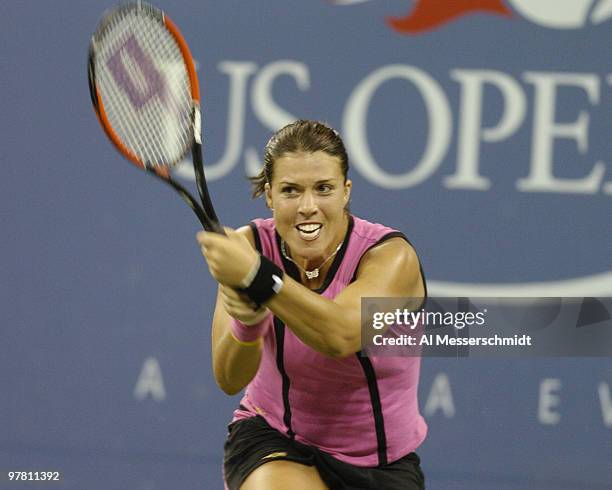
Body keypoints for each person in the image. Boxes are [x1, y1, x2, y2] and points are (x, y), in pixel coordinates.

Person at [197, 120, 427, 490]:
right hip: (276, 440)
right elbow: (229, 378)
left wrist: (259, 279)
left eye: (323, 189)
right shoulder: (250, 247)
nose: (308, 207)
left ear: (345, 192)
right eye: (290, 190)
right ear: (269, 195)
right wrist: (248, 322)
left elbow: (340, 335)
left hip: (383, 467)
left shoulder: (391, 258)